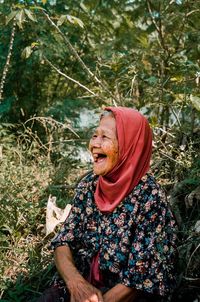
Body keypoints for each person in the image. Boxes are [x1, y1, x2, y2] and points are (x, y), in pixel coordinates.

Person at [38, 107, 177, 302]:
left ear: (129, 146)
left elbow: (143, 277)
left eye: (105, 137)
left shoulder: (150, 197)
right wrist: (77, 284)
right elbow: (63, 241)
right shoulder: (89, 185)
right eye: (94, 135)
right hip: (83, 288)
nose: (94, 143)